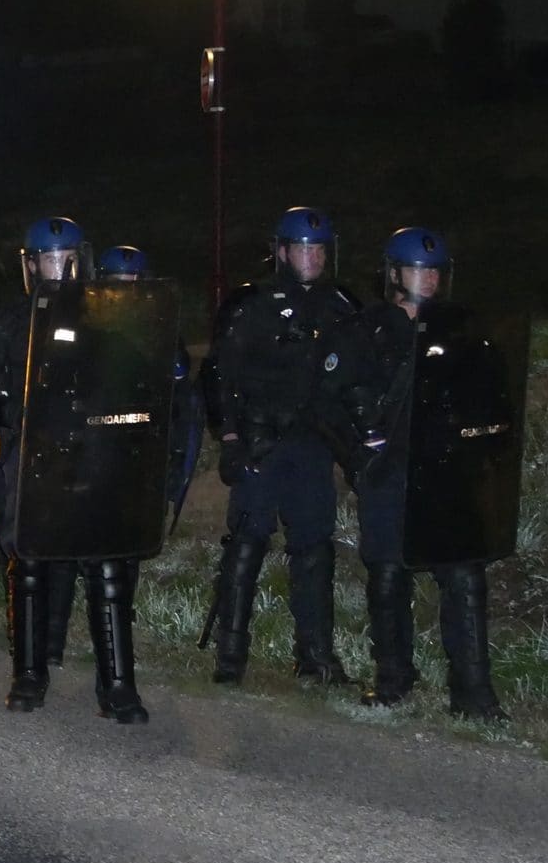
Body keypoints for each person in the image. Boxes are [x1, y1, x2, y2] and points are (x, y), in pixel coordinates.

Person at [0, 215, 149, 722]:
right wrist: (15, 412)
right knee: (29, 562)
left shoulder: (107, 315)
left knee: (106, 564)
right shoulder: (8, 322)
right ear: (29, 265)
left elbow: (137, 381)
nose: (57, 269)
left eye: (65, 260)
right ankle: (29, 674)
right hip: (33, 453)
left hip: (92, 452)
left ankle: (117, 686)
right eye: (47, 260)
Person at [329, 228, 510, 720]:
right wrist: (360, 458)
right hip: (390, 475)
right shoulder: (366, 330)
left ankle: (474, 695)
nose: (427, 279)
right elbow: (331, 403)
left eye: (433, 271)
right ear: (393, 273)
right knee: (388, 576)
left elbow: (491, 397)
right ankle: (393, 679)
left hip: (448, 474)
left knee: (464, 576)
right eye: (417, 270)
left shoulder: (461, 332)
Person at [204, 206, 360, 686]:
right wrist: (229, 438)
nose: (311, 257)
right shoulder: (251, 303)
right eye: (302, 247)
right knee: (247, 543)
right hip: (259, 442)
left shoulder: (340, 303)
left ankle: (315, 657)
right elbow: (217, 376)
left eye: (318, 248)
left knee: (314, 547)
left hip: (313, 445)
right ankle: (231, 658)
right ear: (281, 251)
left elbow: (355, 379)